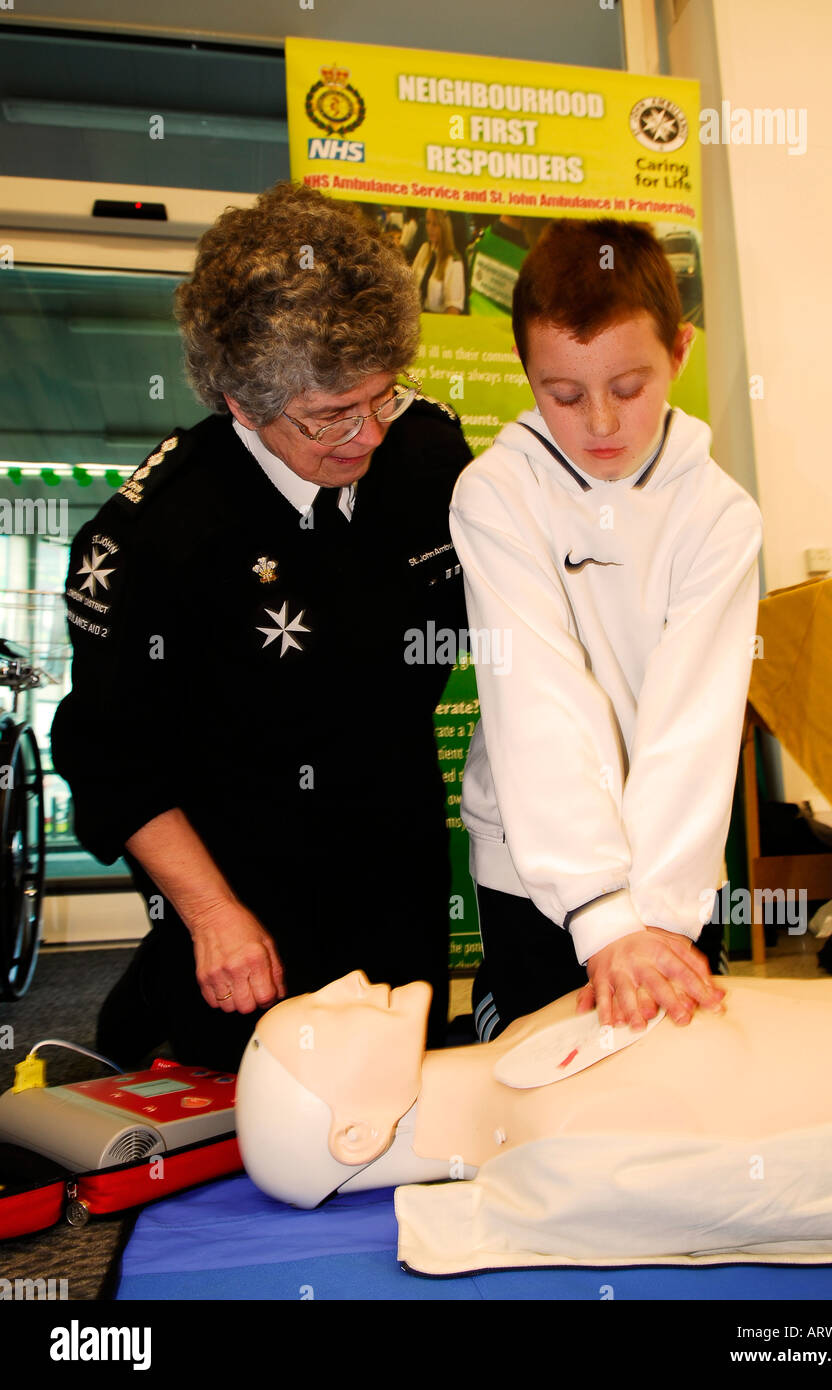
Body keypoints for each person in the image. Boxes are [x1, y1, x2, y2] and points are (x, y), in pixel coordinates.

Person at [51, 182, 473, 1071]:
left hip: (397, 866)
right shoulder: (153, 536)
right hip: (242, 897)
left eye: (382, 397)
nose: (365, 436)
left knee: (397, 1115)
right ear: (240, 404)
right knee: (259, 1136)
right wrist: (210, 915)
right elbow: (105, 755)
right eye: (329, 417)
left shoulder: (428, 456)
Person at [448, 218, 764, 1039]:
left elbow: (692, 724)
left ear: (680, 353)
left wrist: (656, 916)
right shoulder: (494, 495)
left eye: (627, 388)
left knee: (673, 1078)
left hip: (674, 862)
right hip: (535, 867)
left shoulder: (719, 513)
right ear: (525, 373)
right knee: (540, 1068)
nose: (598, 423)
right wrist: (600, 916)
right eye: (562, 394)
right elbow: (538, 699)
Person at [235, 969, 832, 1272]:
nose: (345, 982)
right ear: (357, 1135)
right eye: (319, 1018)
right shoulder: (563, 1148)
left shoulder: (525, 1036)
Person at [411, 209, 466, 314]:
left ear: (445, 227)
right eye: (428, 222)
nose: (429, 228)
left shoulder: (453, 261)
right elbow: (410, 283)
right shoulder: (424, 249)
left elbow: (453, 309)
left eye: (435, 224)